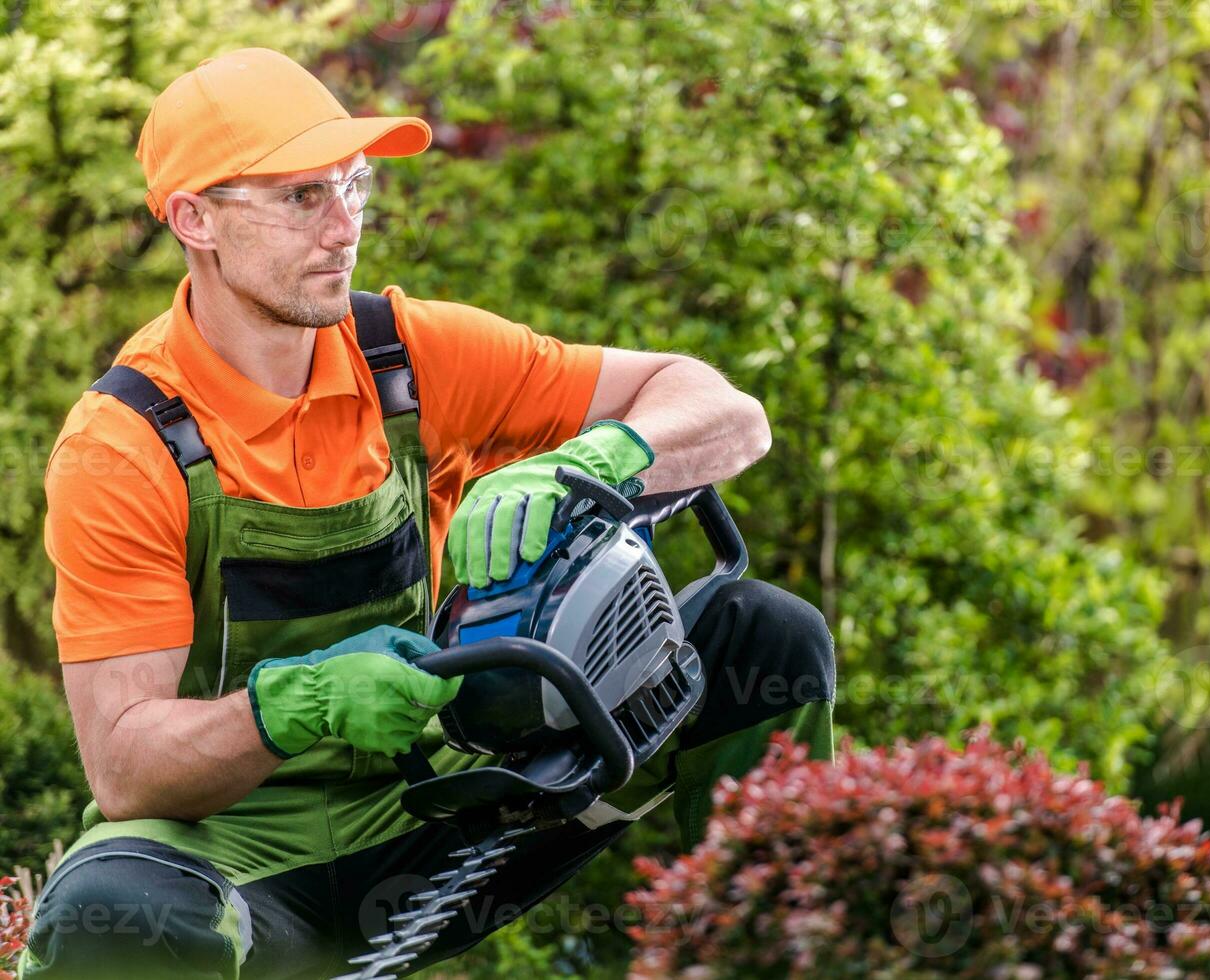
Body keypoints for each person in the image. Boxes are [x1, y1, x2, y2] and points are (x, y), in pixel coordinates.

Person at [21, 48, 835, 979]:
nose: (344, 228)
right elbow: (127, 770)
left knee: (758, 637)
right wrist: (297, 704)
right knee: (111, 914)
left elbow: (727, 413)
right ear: (194, 217)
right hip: (231, 866)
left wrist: (604, 456)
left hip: (441, 805)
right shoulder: (122, 447)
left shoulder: (402, 355)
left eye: (354, 186)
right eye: (302, 198)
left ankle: (790, 952)